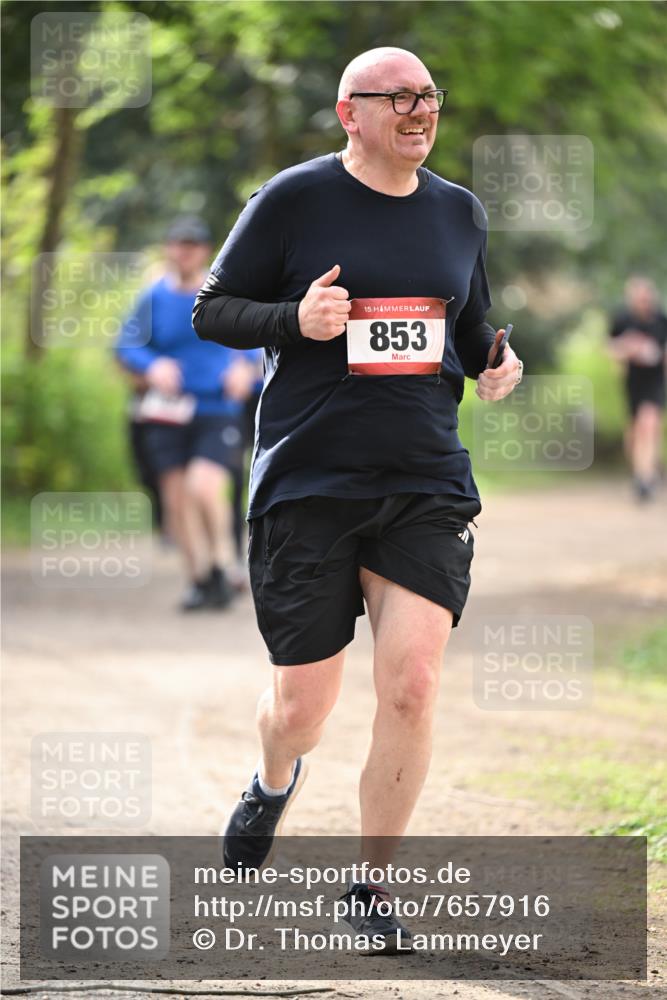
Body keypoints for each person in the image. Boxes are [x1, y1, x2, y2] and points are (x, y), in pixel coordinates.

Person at [193, 47, 523, 951]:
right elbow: (212, 310)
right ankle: (271, 780)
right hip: (310, 478)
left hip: (423, 477)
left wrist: (495, 366)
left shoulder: (459, 211)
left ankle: (372, 885)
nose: (420, 111)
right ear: (350, 113)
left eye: (429, 97)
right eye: (399, 99)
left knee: (412, 685)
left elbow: (466, 327)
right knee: (302, 708)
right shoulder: (292, 200)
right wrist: (292, 319)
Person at [116, 216, 258, 610]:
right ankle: (200, 578)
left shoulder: (223, 292)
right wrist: (152, 366)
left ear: (206, 250)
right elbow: (127, 345)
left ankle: (226, 564)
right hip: (168, 411)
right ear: (168, 248)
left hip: (217, 408)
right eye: (178, 244)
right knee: (177, 500)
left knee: (204, 485)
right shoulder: (152, 297)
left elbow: (257, 342)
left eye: (193, 245)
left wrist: (245, 369)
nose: (185, 251)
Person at [609, 276, 667, 501]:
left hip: (655, 381)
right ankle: (640, 471)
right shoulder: (623, 320)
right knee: (635, 431)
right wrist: (627, 348)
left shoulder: (661, 320)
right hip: (633, 381)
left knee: (649, 424)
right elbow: (611, 347)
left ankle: (646, 477)